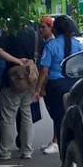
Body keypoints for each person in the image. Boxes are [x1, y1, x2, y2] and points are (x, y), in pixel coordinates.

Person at [33, 16, 82, 156]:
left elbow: (44, 70)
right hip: (73, 83)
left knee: (59, 120)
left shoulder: (51, 46)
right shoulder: (77, 44)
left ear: (55, 29)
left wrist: (37, 90)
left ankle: (63, 155)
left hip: (56, 86)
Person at [0, 27, 43, 160]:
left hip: (13, 80)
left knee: (8, 117)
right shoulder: (36, 35)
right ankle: (26, 150)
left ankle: (5, 151)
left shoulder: (11, 32)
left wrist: (17, 61)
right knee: (27, 115)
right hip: (31, 79)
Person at [36, 16, 58, 153]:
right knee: (53, 113)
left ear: (51, 28)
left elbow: (45, 69)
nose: (41, 30)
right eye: (40, 27)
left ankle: (56, 141)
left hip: (50, 82)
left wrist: (38, 87)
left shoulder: (51, 44)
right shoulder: (46, 43)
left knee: (55, 112)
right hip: (48, 82)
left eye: (44, 27)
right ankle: (54, 139)